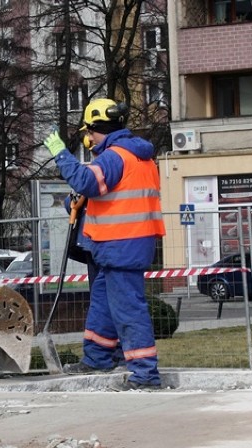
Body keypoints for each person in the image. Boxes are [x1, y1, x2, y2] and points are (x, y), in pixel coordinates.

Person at [43, 98, 166, 390]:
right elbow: (111, 197)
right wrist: (80, 206)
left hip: (121, 245)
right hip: (117, 245)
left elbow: (86, 181)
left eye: (89, 132)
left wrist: (60, 153)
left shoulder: (115, 156)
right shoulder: (139, 157)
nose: (88, 139)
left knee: (127, 309)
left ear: (96, 130)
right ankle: (98, 357)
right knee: (104, 304)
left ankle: (145, 374)